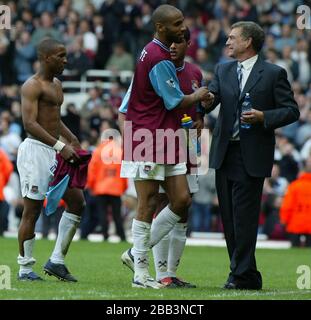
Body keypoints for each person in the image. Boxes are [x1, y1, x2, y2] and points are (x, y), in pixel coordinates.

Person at [118, 4, 212, 289]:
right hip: (149, 136)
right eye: (177, 23)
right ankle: (141, 275)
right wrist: (199, 95)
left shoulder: (157, 53)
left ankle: (135, 254)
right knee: (147, 203)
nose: (182, 27)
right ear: (161, 27)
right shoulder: (158, 57)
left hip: (168, 136)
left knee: (181, 199)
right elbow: (173, 101)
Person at [206, 21, 300, 290]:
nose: (227, 42)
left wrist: (264, 117)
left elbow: (291, 110)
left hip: (252, 155)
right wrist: (204, 100)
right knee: (229, 217)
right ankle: (246, 275)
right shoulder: (222, 69)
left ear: (248, 42)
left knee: (244, 218)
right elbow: (212, 98)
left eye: (232, 38)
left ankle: (239, 274)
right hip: (225, 152)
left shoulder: (273, 73)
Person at [17, 38, 85, 282]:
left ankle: (56, 261)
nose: (65, 60)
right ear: (46, 58)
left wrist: (71, 138)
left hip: (55, 151)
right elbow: (30, 124)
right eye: (61, 55)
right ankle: (25, 269)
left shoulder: (56, 84)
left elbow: (55, 118)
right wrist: (60, 145)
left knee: (78, 202)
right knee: (32, 211)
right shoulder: (31, 86)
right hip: (35, 151)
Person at [280, 153, 311, 247]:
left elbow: (287, 206)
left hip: (295, 224)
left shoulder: (294, 186)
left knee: (294, 251)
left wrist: (284, 220)